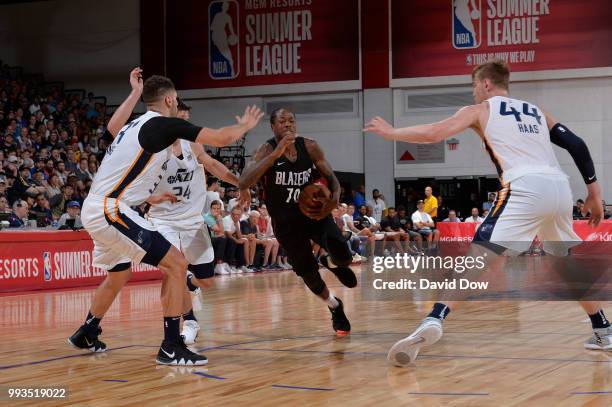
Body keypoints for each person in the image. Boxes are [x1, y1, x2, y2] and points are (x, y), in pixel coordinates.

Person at [365, 60, 606, 366]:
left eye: (475, 86)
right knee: (564, 262)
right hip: (559, 188)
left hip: (523, 185)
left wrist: (392, 132)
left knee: (476, 259)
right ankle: (602, 328)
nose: (474, 91)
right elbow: (576, 143)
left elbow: (436, 133)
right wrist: (595, 193)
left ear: (487, 84)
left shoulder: (479, 110)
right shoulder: (536, 112)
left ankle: (434, 318)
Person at [67, 67, 263, 366]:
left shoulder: (135, 124)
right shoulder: (163, 125)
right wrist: (246, 125)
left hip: (100, 208)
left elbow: (112, 125)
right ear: (171, 100)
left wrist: (135, 92)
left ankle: (87, 330)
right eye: (178, 99)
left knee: (119, 273)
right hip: (110, 209)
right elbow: (222, 139)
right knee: (176, 264)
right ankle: (171, 346)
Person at [239, 108, 355, 335]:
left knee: (344, 256)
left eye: (291, 120)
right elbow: (244, 181)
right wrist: (275, 155)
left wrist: (333, 201)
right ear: (273, 127)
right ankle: (335, 306)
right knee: (308, 274)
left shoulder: (309, 146)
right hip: (286, 224)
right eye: (282, 122)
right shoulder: (266, 150)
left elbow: (333, 180)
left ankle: (331, 262)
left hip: (314, 215)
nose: (288, 125)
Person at [147, 98, 249, 344]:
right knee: (173, 271)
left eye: (186, 119)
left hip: (192, 221)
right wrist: (152, 197)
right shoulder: (152, 147)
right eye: (180, 118)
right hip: (163, 220)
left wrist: (241, 183)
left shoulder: (192, 143)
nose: (185, 123)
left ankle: (192, 284)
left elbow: (213, 165)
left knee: (206, 280)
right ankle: (189, 321)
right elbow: (135, 187)